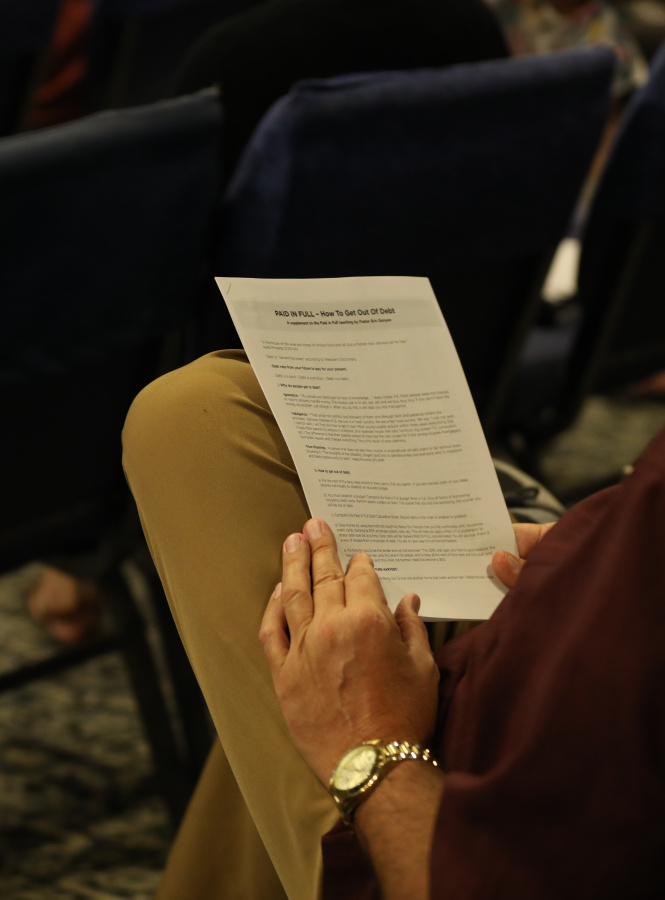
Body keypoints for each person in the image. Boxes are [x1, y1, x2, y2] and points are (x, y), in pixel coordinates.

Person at [122, 349, 665, 899]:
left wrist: (370, 743)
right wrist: (606, 541)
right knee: (221, 401)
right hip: (564, 622)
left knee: (185, 427)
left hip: (502, 788)